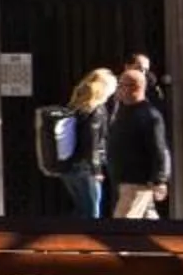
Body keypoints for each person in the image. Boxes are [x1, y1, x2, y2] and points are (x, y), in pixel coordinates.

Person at [106, 63, 170, 217]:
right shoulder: (121, 111)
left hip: (137, 182)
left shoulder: (148, 115)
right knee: (146, 221)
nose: (118, 89)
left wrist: (160, 180)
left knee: (123, 226)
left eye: (121, 85)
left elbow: (158, 148)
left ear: (135, 87)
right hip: (122, 180)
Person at [59, 68, 118, 220]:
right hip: (86, 167)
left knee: (80, 209)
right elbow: (92, 141)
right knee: (92, 214)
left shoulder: (75, 106)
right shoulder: (97, 110)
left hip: (69, 164)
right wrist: (96, 169)